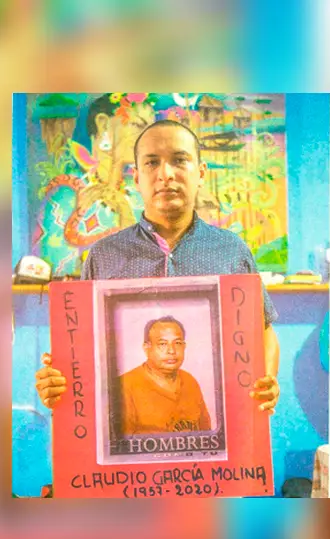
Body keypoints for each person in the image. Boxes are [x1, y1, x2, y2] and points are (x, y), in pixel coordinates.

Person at [36, 118, 280, 415]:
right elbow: (84, 351)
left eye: (179, 160)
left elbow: (263, 331)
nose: (165, 174)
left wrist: (267, 380)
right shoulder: (103, 256)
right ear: (136, 177)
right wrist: (59, 381)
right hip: (128, 434)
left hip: (215, 443)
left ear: (200, 173)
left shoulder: (232, 250)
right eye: (152, 163)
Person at [118, 316, 210, 436]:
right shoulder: (124, 386)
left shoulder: (189, 381)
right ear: (147, 348)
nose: (171, 351)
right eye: (162, 344)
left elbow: (207, 436)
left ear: (184, 346)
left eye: (177, 343)